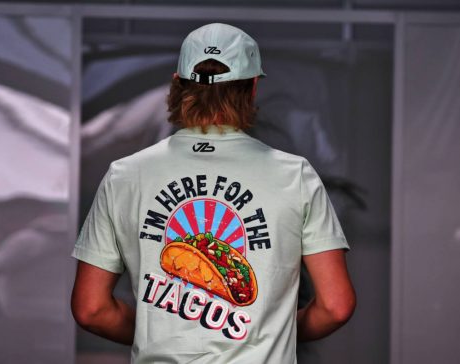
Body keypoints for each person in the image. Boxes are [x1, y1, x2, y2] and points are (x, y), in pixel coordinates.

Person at [70, 23, 356, 363]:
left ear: (177, 85)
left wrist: (160, 332)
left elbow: (91, 308)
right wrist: (269, 331)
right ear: (251, 89)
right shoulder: (295, 175)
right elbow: (335, 306)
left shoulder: (126, 175)